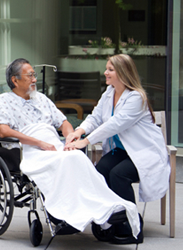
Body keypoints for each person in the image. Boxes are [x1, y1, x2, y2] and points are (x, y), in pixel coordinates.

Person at [0, 58, 140, 241]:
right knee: (65, 161)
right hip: (28, 147)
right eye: (30, 75)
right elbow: (3, 131)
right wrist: (39, 143)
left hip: (53, 144)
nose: (35, 79)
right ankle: (62, 211)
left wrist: (69, 137)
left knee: (76, 157)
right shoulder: (3, 101)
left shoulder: (41, 98)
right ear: (15, 80)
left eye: (34, 75)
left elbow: (63, 122)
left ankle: (98, 207)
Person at [65, 54, 171, 244]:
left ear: (123, 73)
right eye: (107, 68)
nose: (105, 72)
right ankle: (110, 220)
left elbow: (115, 124)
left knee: (118, 174)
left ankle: (132, 228)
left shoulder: (136, 98)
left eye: (110, 70)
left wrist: (86, 141)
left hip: (144, 153)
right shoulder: (109, 92)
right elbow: (96, 117)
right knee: (100, 172)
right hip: (121, 151)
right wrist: (79, 131)